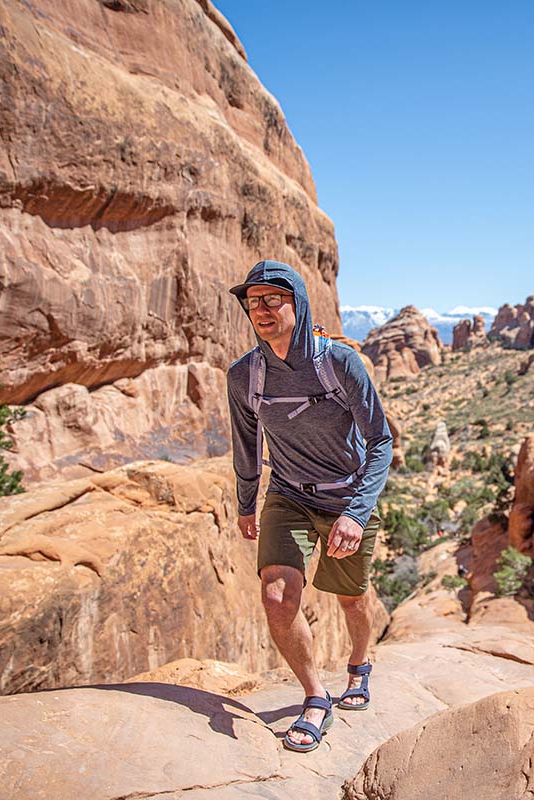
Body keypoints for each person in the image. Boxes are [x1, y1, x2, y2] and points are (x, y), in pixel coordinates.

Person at [225, 260, 392, 753]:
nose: (261, 309)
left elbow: (380, 440)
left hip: (346, 492)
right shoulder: (245, 375)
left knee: (351, 600)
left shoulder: (339, 363)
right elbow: (246, 445)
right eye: (253, 301)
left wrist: (356, 513)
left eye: (273, 299)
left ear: (297, 303)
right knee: (277, 596)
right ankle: (316, 697)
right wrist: (246, 502)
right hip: (289, 494)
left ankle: (359, 666)